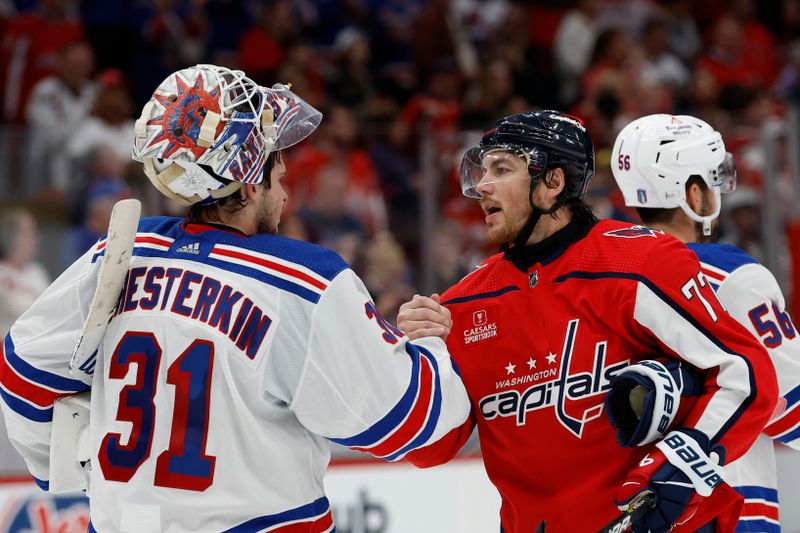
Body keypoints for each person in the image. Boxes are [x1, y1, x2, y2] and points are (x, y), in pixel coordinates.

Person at [0, 64, 470, 532]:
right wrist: (428, 345)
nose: (285, 192)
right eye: (278, 175)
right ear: (249, 182)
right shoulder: (303, 280)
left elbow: (22, 373)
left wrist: (68, 463)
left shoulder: (120, 254)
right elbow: (423, 433)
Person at [397, 110, 778, 532]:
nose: (481, 186)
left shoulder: (640, 263)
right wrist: (416, 358)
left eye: (501, 169)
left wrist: (684, 461)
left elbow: (745, 373)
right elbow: (431, 449)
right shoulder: (463, 307)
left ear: (553, 183)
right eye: (481, 171)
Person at [611, 113, 800, 531]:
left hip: (629, 507)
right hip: (728, 507)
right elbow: (793, 409)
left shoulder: (599, 278)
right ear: (693, 193)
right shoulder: (731, 275)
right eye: (713, 180)